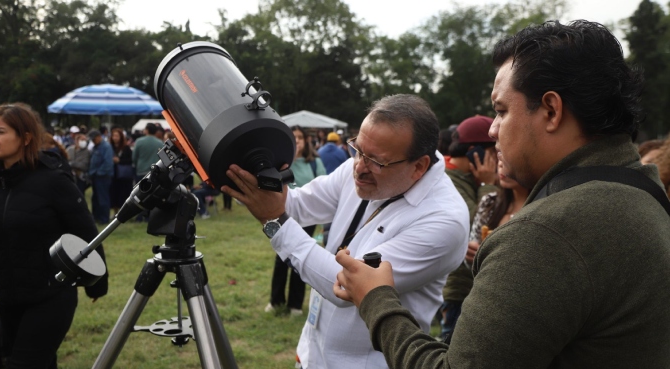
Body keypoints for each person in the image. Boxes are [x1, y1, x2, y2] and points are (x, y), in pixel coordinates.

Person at [333, 20, 670, 368]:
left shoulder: (546, 235)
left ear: (551, 111)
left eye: (501, 110)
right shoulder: (643, 191)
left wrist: (377, 300)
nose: (493, 129)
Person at [222, 94, 469, 369]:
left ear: (419, 166)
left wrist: (274, 222)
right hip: (312, 356)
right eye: (357, 149)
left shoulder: (444, 221)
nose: (359, 168)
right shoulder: (366, 161)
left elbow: (344, 285)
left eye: (377, 162)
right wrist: (251, 172)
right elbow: (298, 204)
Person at [0, 103, 108, 368]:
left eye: (0, 131)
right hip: (9, 300)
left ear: (26, 137)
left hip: (51, 297)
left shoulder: (53, 181)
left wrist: (96, 283)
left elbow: (85, 231)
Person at [439, 115, 498, 340]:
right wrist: (488, 185)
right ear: (477, 152)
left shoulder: (464, 177)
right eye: (494, 151)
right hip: (458, 290)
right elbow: (477, 225)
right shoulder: (450, 181)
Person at [265, 125, 326, 316]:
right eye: (293, 138)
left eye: (299, 137)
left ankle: (295, 305)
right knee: (281, 258)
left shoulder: (314, 163)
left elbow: (323, 188)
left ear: (306, 140)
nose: (297, 141)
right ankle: (276, 301)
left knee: (300, 260)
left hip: (307, 219)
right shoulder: (280, 163)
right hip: (282, 217)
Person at [87, 129, 114, 224]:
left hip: (103, 177)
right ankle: (96, 217)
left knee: (103, 198)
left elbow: (108, 163)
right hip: (95, 176)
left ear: (99, 137)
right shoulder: (96, 147)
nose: (93, 141)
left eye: (94, 139)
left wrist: (98, 172)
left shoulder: (106, 147)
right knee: (95, 199)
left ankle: (104, 219)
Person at [109, 127, 133, 213]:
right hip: (113, 175)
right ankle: (115, 211)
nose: (115, 138)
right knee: (113, 193)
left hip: (123, 176)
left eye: (117, 136)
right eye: (113, 136)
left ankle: (123, 211)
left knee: (123, 194)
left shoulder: (126, 148)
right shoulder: (110, 147)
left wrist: (120, 161)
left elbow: (130, 160)